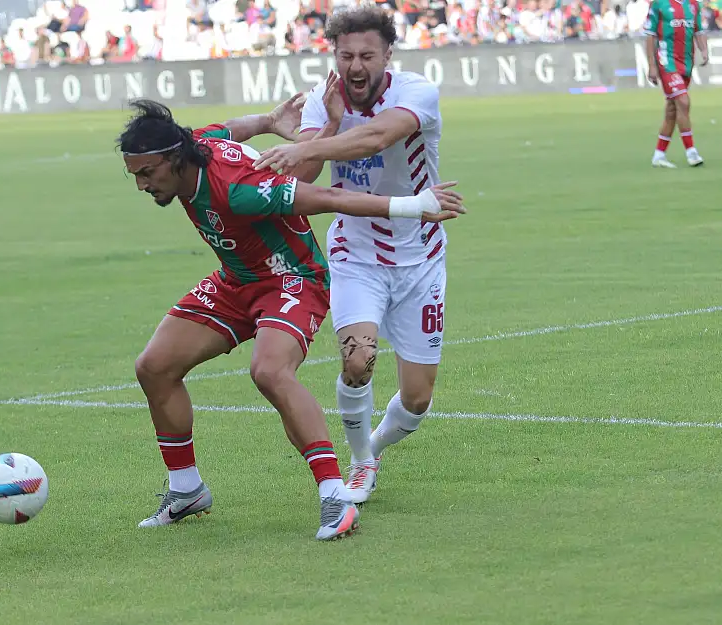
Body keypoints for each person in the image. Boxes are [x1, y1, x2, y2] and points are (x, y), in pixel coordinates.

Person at [119, 97, 464, 540]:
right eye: (135, 175)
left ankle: (335, 497)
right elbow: (227, 129)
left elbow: (325, 197)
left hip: (292, 281)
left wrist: (412, 205)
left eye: (147, 173)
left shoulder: (236, 189)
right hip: (237, 279)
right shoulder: (196, 143)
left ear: (173, 158)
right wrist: (267, 121)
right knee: (154, 367)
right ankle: (186, 490)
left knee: (269, 371)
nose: (142, 185)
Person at [253, 5, 456, 505]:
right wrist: (322, 133)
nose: (356, 66)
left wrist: (307, 148)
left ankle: (377, 447)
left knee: (417, 398)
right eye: (346, 56)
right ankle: (360, 461)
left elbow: (379, 135)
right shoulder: (326, 103)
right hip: (355, 253)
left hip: (420, 257)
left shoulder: (416, 92)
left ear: (388, 54)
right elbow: (298, 182)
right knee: (359, 358)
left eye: (367, 55)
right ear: (335, 55)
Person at [644, 0, 707, 168]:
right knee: (683, 101)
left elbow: (699, 30)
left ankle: (659, 155)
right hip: (666, 61)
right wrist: (651, 65)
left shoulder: (693, 4)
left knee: (673, 109)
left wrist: (704, 49)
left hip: (686, 62)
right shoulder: (659, 4)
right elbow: (650, 35)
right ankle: (691, 152)